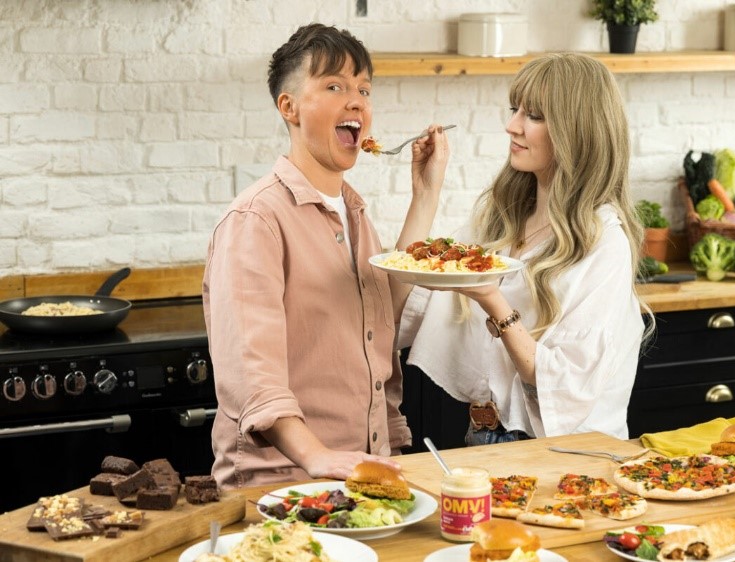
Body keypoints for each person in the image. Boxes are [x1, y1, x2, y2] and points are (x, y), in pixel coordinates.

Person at [202, 23, 448, 489]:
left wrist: (425, 194)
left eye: (364, 89)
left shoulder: (353, 212)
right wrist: (316, 456)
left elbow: (383, 318)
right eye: (334, 86)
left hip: (366, 470)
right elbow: (252, 372)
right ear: (289, 107)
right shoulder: (255, 220)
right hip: (283, 483)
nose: (356, 100)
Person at [396, 53, 649, 444]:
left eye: (533, 116)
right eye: (516, 109)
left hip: (570, 458)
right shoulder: (501, 218)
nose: (512, 126)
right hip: (484, 438)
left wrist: (492, 301)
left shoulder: (604, 241)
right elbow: (404, 298)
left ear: (576, 131)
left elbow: (563, 386)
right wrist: (426, 194)